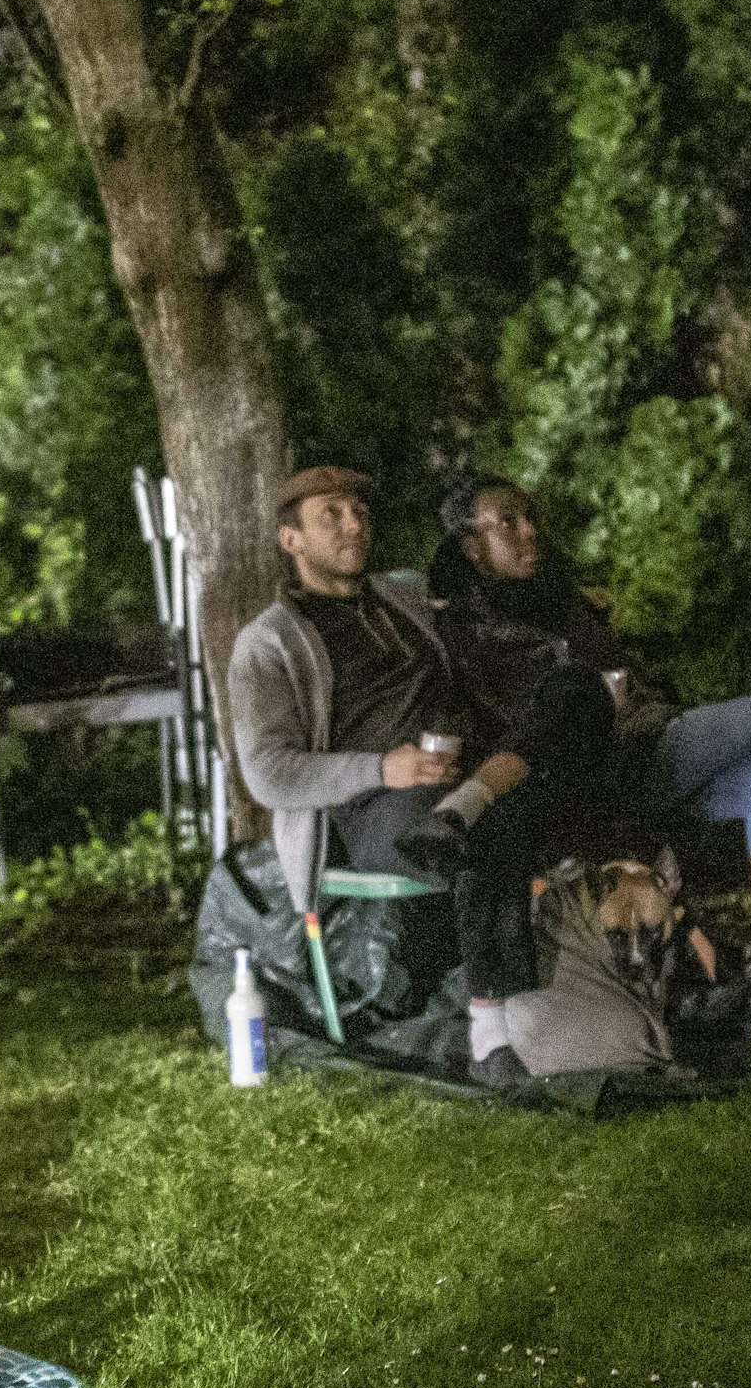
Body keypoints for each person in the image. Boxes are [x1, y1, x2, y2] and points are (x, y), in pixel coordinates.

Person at [229, 464, 635, 1084]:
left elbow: (487, 579)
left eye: (360, 512)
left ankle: (475, 809)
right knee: (497, 816)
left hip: (469, 771)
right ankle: (490, 1026)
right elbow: (268, 774)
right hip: (375, 808)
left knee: (579, 692)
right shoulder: (269, 642)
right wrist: (382, 768)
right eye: (331, 515)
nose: (353, 525)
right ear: (293, 541)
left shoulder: (405, 597)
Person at [430, 480, 751, 866]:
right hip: (587, 776)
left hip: (636, 759)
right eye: (508, 521)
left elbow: (619, 672)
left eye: (528, 516)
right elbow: (510, 719)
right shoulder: (467, 630)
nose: (530, 529)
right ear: (472, 548)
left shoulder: (559, 602)